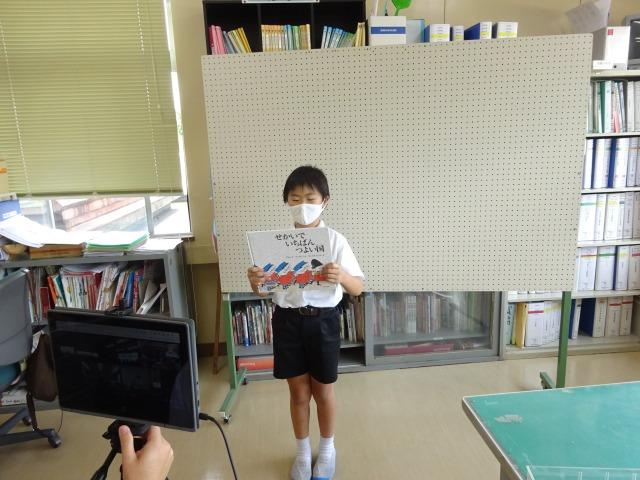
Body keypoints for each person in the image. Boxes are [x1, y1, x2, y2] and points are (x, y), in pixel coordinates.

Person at [247, 166, 364, 480]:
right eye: (295, 198)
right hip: (288, 321)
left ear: (325, 201)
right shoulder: (275, 243)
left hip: (323, 321)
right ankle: (302, 453)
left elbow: (357, 287)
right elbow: (264, 289)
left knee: (323, 391)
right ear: (286, 201)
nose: (303, 205)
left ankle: (326, 450)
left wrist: (342, 276)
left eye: (310, 198)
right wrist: (255, 282)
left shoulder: (335, 240)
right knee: (298, 393)